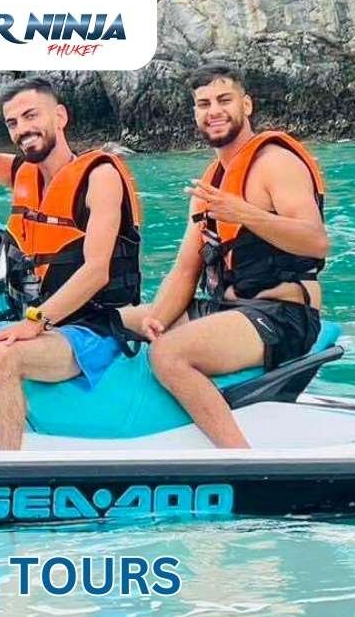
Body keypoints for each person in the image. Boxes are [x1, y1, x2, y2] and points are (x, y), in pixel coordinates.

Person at [0, 71, 143, 451]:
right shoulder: (21, 173)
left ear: (60, 117)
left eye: (31, 116)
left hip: (96, 328)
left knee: (4, 356)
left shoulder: (100, 177)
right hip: (46, 321)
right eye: (13, 123)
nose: (22, 129)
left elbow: (97, 271)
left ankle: (4, 471)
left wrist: (34, 323)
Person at [120, 63, 330, 449]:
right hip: (224, 310)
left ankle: (240, 458)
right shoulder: (210, 183)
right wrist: (155, 320)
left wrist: (244, 213)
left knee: (168, 355)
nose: (213, 111)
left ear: (246, 105)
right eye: (203, 104)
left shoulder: (275, 163)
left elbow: (316, 241)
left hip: (282, 316)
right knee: (114, 320)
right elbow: (185, 271)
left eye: (223, 100)